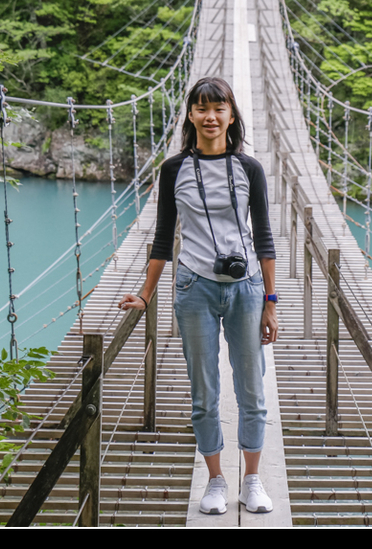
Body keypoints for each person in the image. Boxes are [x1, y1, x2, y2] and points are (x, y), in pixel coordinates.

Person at [118, 76, 278, 515]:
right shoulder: (173, 169)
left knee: (252, 391)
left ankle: (251, 480)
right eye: (202, 108)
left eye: (219, 108)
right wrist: (146, 295)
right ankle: (215, 481)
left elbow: (264, 237)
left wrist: (271, 301)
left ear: (231, 115)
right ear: (190, 115)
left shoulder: (250, 169)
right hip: (193, 289)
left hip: (245, 291)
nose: (211, 117)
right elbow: (163, 236)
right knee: (204, 393)